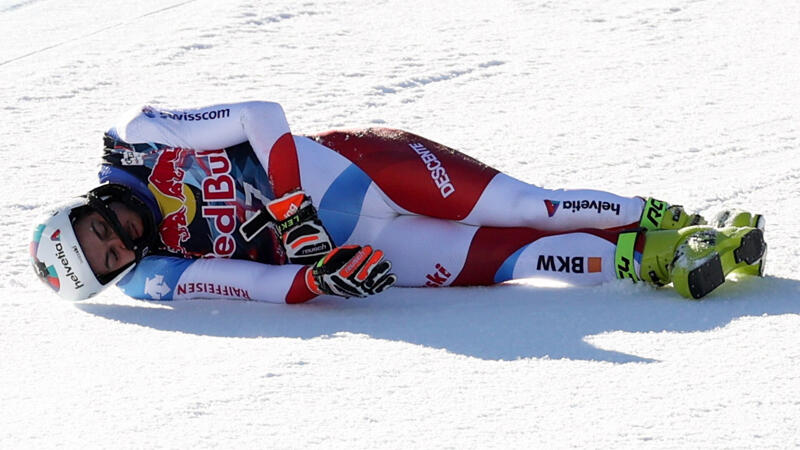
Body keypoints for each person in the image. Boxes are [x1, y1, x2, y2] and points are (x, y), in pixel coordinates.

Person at [30, 101, 766, 304]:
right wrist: (321, 279)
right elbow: (251, 282)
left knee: (529, 208)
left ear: (85, 206)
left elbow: (262, 116)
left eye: (101, 228)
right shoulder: (155, 276)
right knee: (519, 261)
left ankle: (672, 215)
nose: (123, 239)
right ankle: (663, 261)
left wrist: (289, 209)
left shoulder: (139, 139)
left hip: (362, 169)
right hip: (362, 248)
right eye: (111, 258)